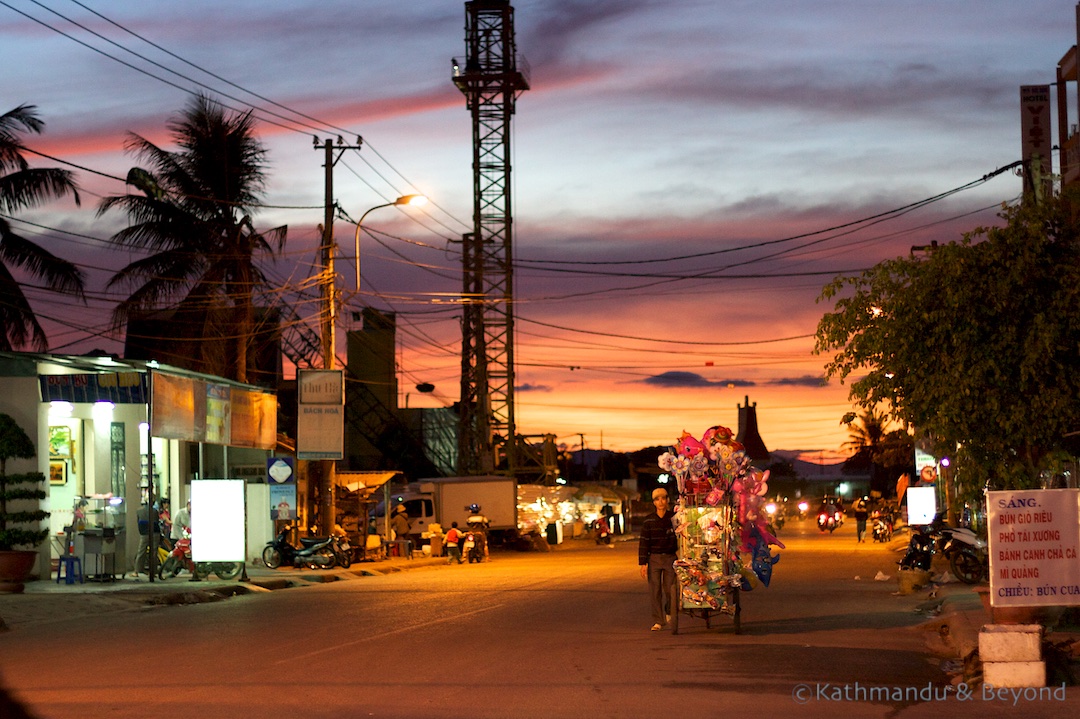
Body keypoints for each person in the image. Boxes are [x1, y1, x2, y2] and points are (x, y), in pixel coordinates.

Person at [638, 487, 678, 632]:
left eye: (663, 498)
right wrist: (643, 563)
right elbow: (644, 542)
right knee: (655, 590)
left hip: (670, 558)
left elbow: (681, 537)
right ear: (654, 502)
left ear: (667, 500)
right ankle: (658, 621)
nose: (661, 502)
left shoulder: (674, 518)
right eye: (657, 499)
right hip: (654, 559)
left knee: (670, 589)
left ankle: (669, 610)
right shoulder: (648, 521)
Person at [129, 500, 160, 577]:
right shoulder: (155, 511)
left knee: (141, 552)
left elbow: (138, 521)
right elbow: (157, 521)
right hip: (155, 533)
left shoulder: (139, 511)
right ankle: (152, 572)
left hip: (144, 533)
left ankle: (136, 571)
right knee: (154, 552)